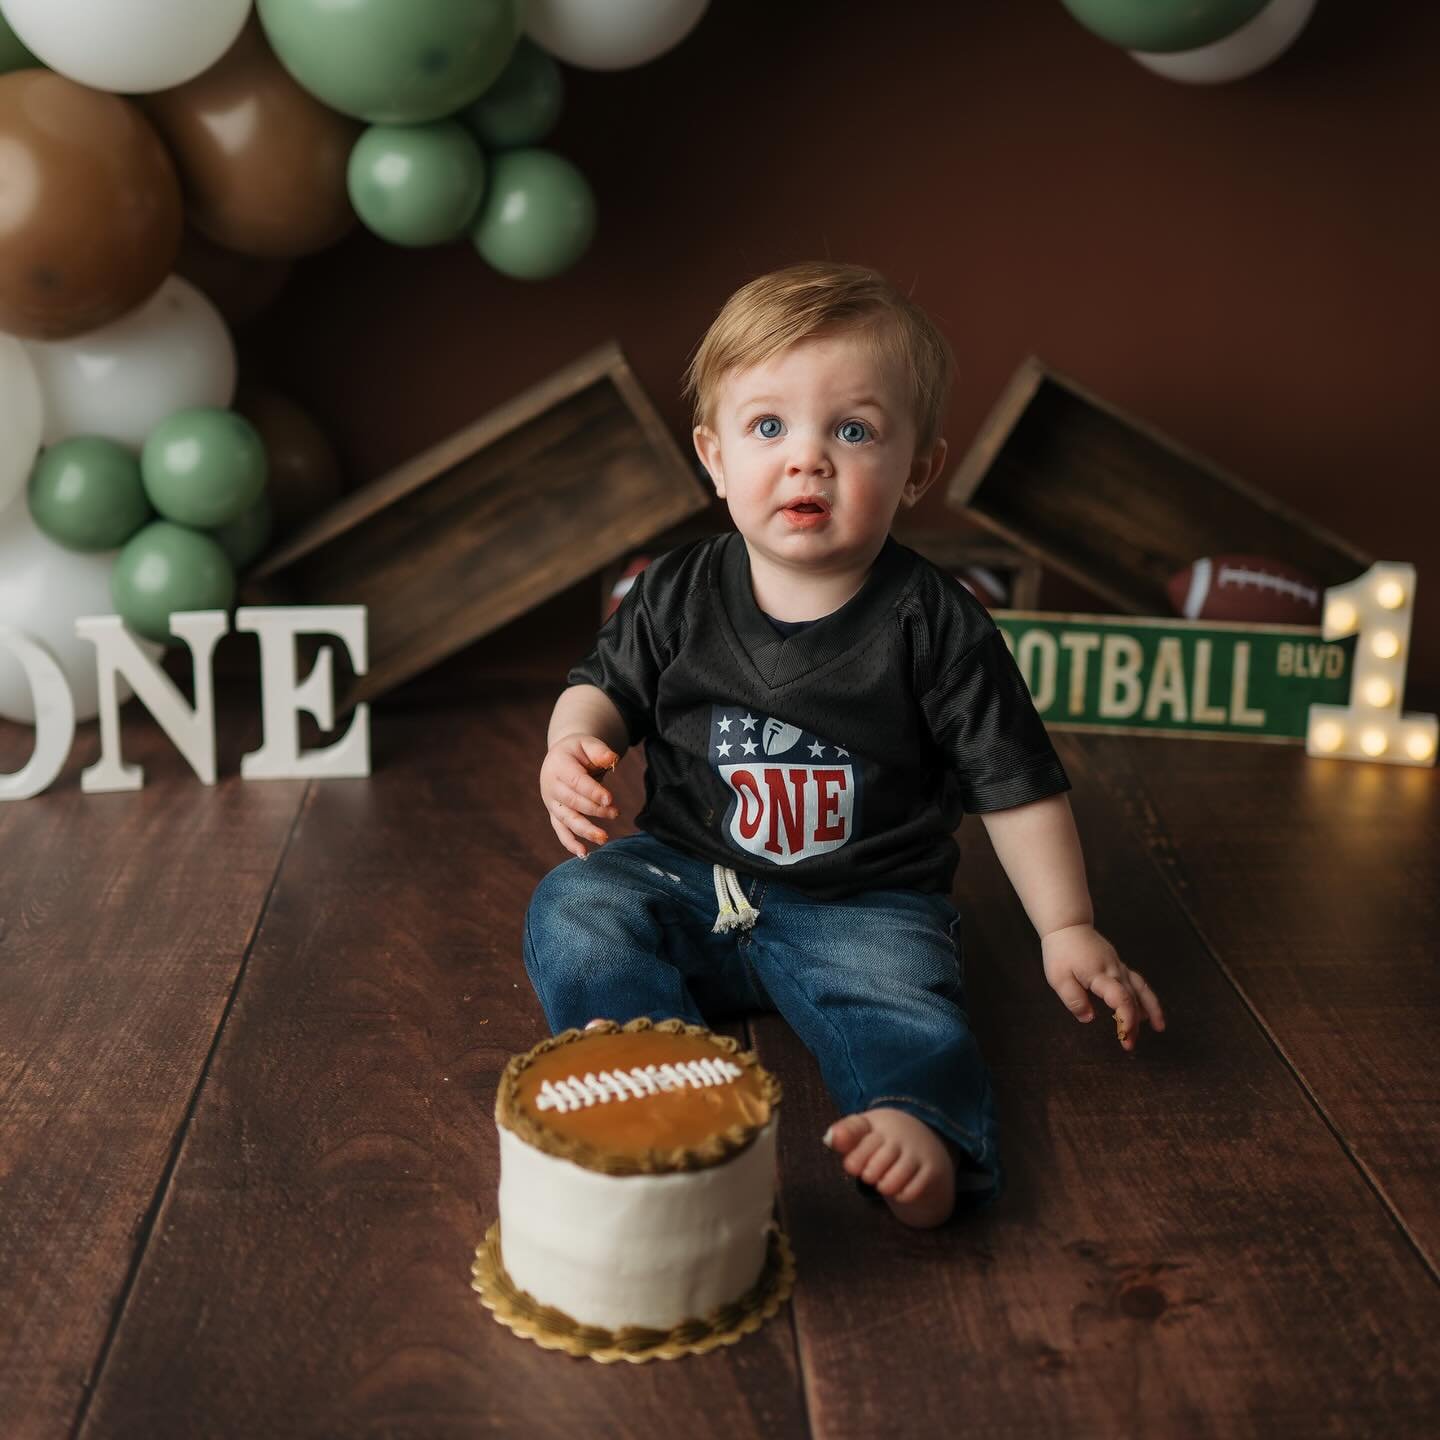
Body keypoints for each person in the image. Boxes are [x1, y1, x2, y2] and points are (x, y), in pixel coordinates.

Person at [524, 261, 1165, 1228]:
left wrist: (1066, 926)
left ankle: (922, 1125)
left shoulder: (936, 623)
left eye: (853, 431)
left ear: (917, 471)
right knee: (577, 905)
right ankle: (652, 1073)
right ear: (714, 457)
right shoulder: (677, 592)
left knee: (905, 1001)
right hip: (689, 875)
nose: (807, 460)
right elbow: (601, 688)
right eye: (768, 427)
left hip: (863, 902)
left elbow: (1015, 783)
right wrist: (573, 743)